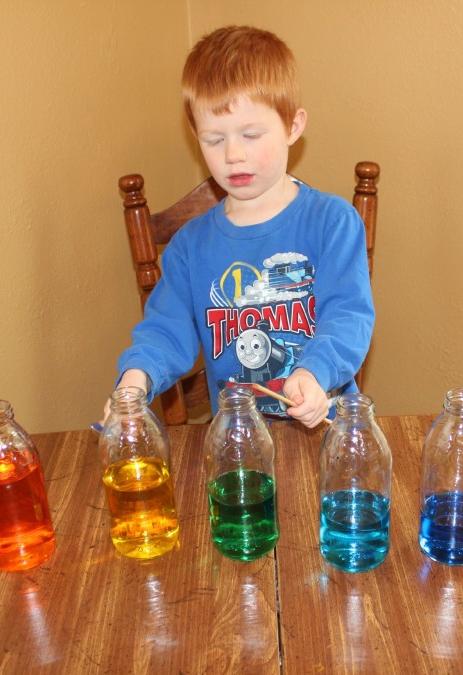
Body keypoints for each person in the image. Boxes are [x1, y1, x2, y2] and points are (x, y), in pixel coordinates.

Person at [110, 25, 374, 428]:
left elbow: (347, 317)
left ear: (293, 126)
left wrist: (314, 373)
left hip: (327, 437)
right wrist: (134, 382)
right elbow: (164, 331)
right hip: (240, 445)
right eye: (213, 140)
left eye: (251, 134)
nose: (233, 154)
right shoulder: (188, 248)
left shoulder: (334, 223)